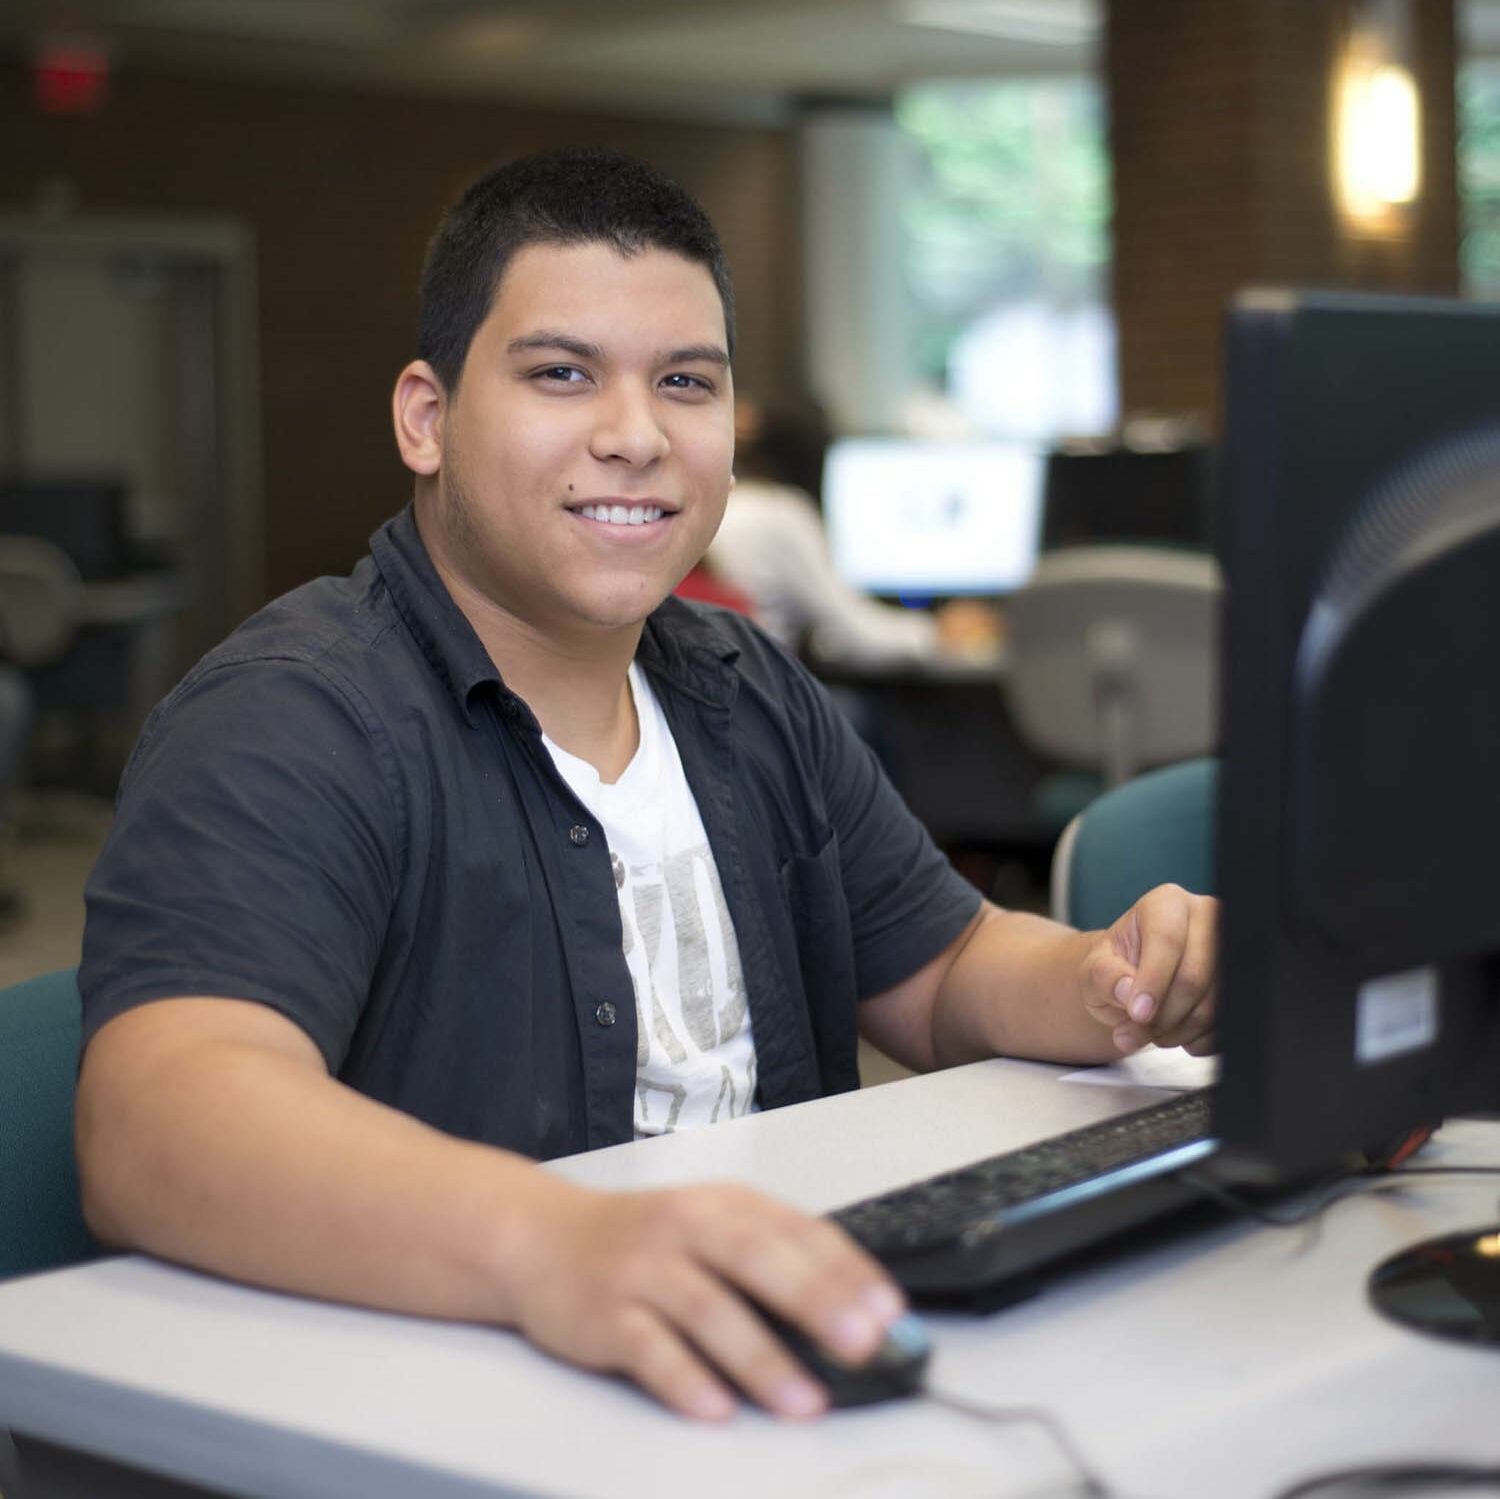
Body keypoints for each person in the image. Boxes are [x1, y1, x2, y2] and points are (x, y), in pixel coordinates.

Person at [75, 146, 1217, 1424]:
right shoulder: (291, 718)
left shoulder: (745, 686)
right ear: (425, 417)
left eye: (686, 382)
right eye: (561, 374)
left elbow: (946, 973)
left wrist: (1116, 979)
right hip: (458, 1397)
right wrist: (553, 1243)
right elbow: (159, 1119)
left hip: (763, 1362)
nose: (634, 436)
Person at [706, 396, 998, 666]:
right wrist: (940, 632)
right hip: (756, 684)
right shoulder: (779, 512)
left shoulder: (728, 504)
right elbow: (857, 634)